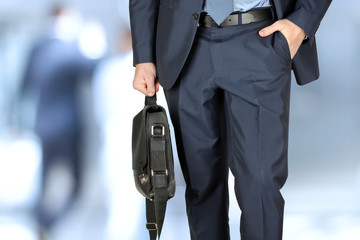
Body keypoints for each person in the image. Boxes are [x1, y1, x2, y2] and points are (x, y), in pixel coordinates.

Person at [129, 0, 332, 239]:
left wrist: (301, 21)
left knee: (261, 184)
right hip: (185, 45)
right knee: (200, 185)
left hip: (260, 39)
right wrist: (144, 56)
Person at [22, 5, 97, 239]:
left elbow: (26, 85)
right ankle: (47, 222)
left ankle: (42, 222)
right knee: (76, 185)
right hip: (68, 128)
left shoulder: (37, 50)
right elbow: (94, 68)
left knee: (44, 183)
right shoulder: (68, 49)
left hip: (43, 126)